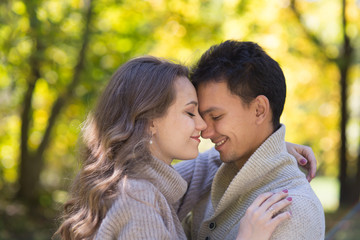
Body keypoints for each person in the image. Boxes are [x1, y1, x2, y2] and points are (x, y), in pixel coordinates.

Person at [54, 56, 316, 240]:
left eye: (210, 116)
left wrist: (266, 142)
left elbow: (206, 168)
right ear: (149, 122)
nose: (202, 126)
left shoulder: (144, 183)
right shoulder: (138, 200)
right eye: (191, 113)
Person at [175, 40, 326, 240]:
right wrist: (275, 148)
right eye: (203, 118)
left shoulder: (291, 210)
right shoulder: (216, 177)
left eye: (217, 117)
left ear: (259, 110)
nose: (205, 132)